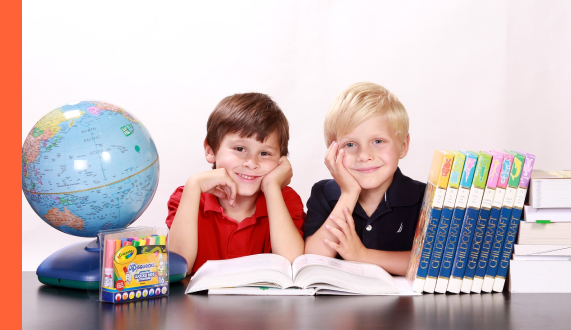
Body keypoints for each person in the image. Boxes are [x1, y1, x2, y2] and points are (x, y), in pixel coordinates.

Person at [166, 93, 305, 274]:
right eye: (240, 149)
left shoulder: (285, 200)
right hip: (199, 303)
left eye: (265, 153)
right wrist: (194, 185)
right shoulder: (187, 197)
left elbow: (293, 267)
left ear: (281, 161)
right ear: (210, 150)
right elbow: (177, 269)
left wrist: (271, 187)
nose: (252, 163)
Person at [304, 82, 425, 275]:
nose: (364, 155)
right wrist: (349, 193)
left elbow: (429, 263)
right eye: (350, 144)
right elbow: (312, 259)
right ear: (333, 151)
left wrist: (363, 255)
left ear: (403, 145)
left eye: (378, 141)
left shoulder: (423, 197)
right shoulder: (324, 193)